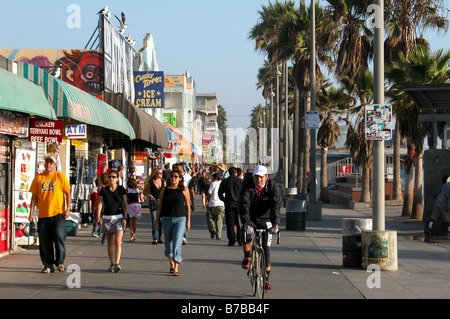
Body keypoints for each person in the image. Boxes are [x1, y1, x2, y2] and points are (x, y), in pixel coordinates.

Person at [239, 165, 281, 291]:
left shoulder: (272, 187)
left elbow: (276, 206)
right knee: (245, 235)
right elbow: (244, 205)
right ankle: (247, 256)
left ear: (266, 177)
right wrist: (246, 222)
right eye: (256, 177)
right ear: (253, 178)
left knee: (266, 248)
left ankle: (266, 279)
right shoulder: (247, 185)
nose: (259, 180)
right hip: (250, 218)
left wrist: (276, 224)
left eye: (261, 177)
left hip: (266, 219)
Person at [28, 155, 71, 273]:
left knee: (59, 237)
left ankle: (60, 262)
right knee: (44, 241)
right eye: (47, 162)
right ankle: (47, 265)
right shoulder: (38, 178)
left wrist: (68, 209)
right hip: (43, 215)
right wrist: (31, 213)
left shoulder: (60, 177)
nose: (48, 165)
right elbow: (34, 197)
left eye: (51, 163)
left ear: (55, 165)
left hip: (58, 214)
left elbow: (67, 193)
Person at [155, 169, 191, 276]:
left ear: (180, 178)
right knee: (168, 243)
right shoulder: (164, 190)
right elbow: (160, 205)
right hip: (166, 218)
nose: (173, 178)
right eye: (172, 176)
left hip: (180, 218)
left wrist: (188, 221)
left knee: (177, 242)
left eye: (176, 176)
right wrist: (157, 220)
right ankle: (171, 262)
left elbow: (188, 206)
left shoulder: (184, 190)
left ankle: (176, 266)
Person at [96, 170, 128, 272]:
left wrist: (125, 217)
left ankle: (117, 263)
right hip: (107, 218)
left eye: (114, 177)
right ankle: (112, 263)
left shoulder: (121, 189)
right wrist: (98, 217)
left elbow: (125, 204)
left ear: (118, 179)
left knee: (118, 242)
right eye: (110, 177)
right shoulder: (103, 190)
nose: (111, 179)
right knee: (109, 242)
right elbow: (100, 204)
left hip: (118, 217)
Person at [218, 167, 243, 246]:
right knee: (239, 222)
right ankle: (240, 239)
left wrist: (224, 200)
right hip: (239, 204)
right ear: (236, 173)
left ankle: (231, 240)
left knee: (230, 223)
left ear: (229, 173)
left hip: (229, 204)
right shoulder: (240, 181)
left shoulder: (225, 181)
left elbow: (220, 193)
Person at [143, 167, 165, 244]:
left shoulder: (163, 182)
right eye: (159, 173)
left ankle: (159, 237)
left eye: (162, 173)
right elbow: (144, 191)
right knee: (154, 219)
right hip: (154, 202)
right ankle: (155, 238)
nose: (161, 174)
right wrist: (149, 195)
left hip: (161, 202)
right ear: (155, 174)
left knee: (161, 220)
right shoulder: (151, 182)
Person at [206, 173, 225, 240]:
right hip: (221, 204)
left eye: (213, 178)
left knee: (209, 218)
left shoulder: (213, 184)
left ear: (215, 178)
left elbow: (209, 193)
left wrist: (207, 202)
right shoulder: (223, 183)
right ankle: (218, 235)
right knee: (219, 220)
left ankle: (212, 230)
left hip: (212, 204)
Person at [127, 177, 144, 241]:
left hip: (130, 205)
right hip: (137, 205)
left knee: (130, 221)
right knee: (135, 222)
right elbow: (142, 199)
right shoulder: (137, 190)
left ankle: (132, 235)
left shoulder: (127, 190)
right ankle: (134, 234)